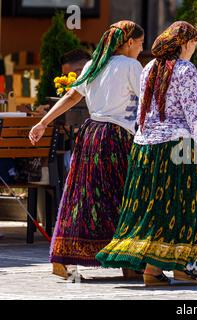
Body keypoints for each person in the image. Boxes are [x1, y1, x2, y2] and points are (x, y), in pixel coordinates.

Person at [96, 21, 197, 286]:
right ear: (186, 43)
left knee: (155, 210)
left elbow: (143, 112)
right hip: (176, 148)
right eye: (194, 44)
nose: (194, 50)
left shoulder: (148, 68)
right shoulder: (186, 69)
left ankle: (170, 268)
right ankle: (169, 268)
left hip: (144, 149)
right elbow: (194, 113)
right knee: (188, 207)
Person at [29, 20, 144, 279]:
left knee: (82, 199)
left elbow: (72, 96)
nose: (140, 48)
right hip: (118, 137)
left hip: (90, 135)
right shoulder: (131, 66)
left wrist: (43, 122)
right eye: (139, 43)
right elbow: (148, 103)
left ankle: (62, 259)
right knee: (124, 198)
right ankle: (129, 262)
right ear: (128, 43)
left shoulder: (93, 65)